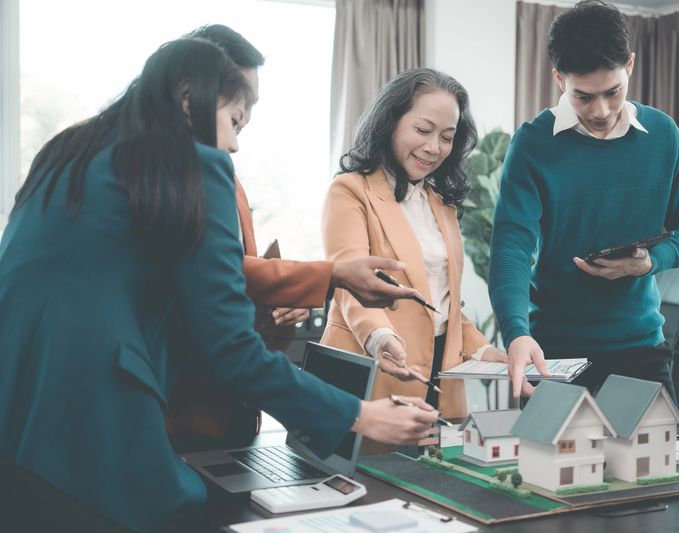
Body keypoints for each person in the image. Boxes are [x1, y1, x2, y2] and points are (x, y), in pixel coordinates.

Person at [0, 38, 437, 532]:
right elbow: (230, 346)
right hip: (95, 417)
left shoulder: (69, 152)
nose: (234, 145)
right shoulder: (194, 166)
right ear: (190, 99)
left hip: (15, 411)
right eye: (234, 120)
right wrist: (359, 415)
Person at [162, 25, 425, 451]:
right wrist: (359, 415)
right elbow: (217, 291)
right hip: (184, 407)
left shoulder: (220, 173)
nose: (245, 116)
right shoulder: (180, 174)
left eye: (252, 103)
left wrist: (280, 300)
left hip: (228, 405)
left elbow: (224, 275)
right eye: (240, 100)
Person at [489, 0, 679, 401]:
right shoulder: (532, 144)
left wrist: (650, 261)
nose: (601, 110)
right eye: (584, 97)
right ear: (560, 79)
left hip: (642, 349)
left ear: (630, 65)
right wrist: (517, 333)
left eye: (612, 92)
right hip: (554, 354)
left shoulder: (663, 134)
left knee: (660, 447)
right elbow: (511, 248)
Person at [320, 67, 508, 420]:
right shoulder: (350, 190)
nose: (434, 148)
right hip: (371, 368)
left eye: (447, 137)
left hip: (440, 377)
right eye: (422, 130)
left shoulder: (441, 203)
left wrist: (483, 350)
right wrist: (380, 337)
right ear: (390, 122)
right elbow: (350, 285)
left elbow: (442, 303)